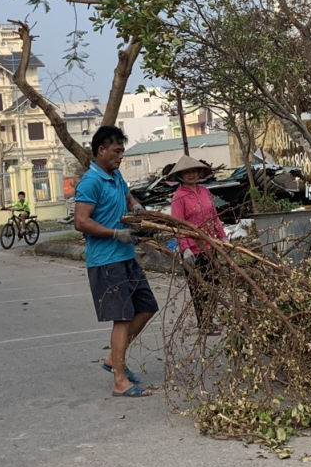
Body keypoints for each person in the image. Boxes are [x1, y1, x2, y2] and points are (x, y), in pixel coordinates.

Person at [74, 125, 159, 398]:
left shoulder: (115, 175)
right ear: (101, 150)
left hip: (126, 257)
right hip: (106, 261)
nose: (121, 156)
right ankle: (119, 381)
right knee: (122, 319)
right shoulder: (91, 181)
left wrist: (134, 205)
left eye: (123, 151)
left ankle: (114, 358)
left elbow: (126, 194)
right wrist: (115, 233)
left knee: (146, 307)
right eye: (117, 151)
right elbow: (81, 221)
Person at [168, 155, 227, 336]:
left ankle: (211, 318)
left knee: (213, 284)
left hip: (210, 245)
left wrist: (222, 237)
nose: (191, 175)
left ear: (199, 172)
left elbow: (213, 216)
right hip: (193, 250)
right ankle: (205, 323)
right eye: (187, 172)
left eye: (193, 171)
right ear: (180, 176)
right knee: (199, 288)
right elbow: (179, 224)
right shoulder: (179, 197)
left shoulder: (204, 192)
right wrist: (184, 247)